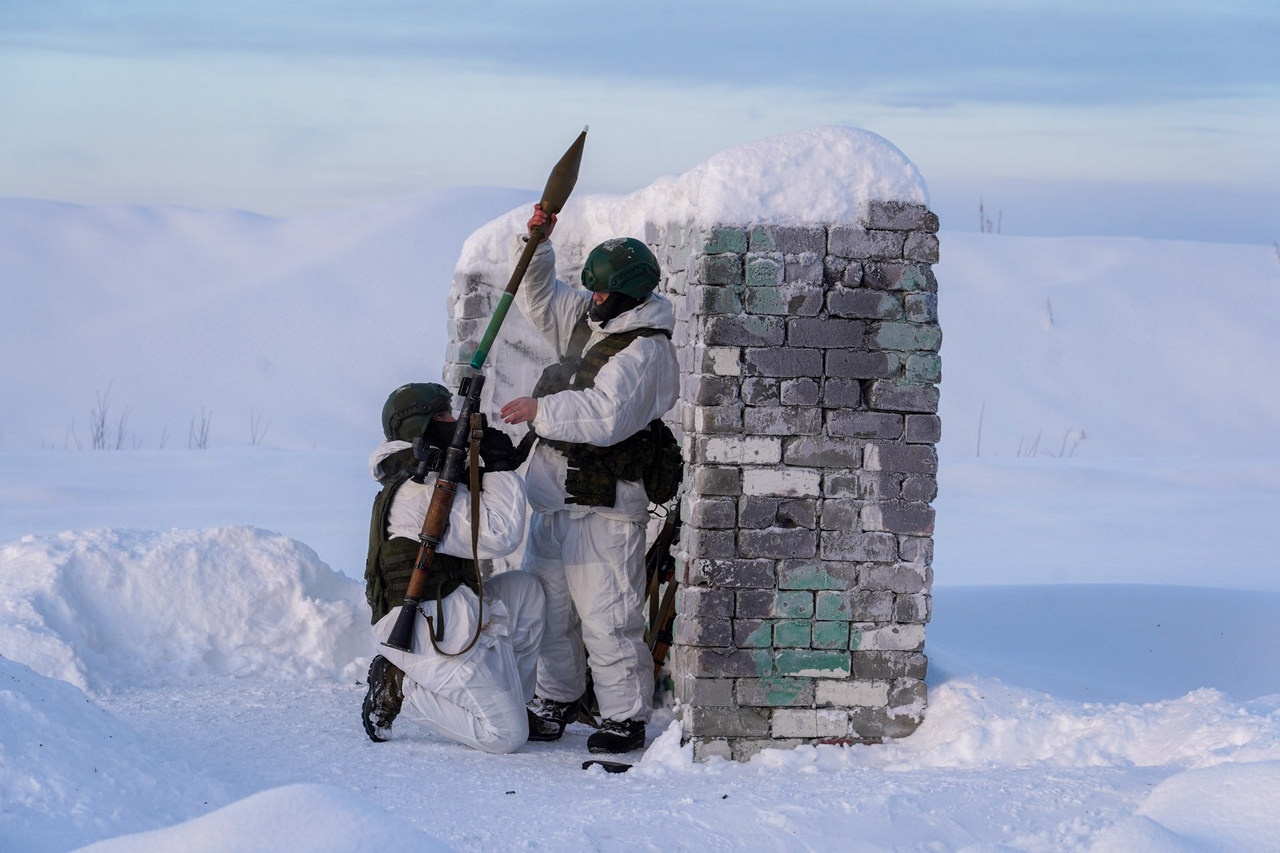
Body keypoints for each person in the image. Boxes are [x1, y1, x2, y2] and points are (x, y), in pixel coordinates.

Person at [499, 205, 679, 755]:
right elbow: (539, 298)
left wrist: (540, 409)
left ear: (629, 293)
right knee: (552, 611)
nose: (593, 300)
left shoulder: (647, 350)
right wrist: (536, 245)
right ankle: (555, 700)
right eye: (592, 291)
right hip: (555, 496)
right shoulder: (591, 319)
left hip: (604, 506)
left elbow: (606, 416)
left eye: (602, 293)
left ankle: (625, 717)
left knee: (608, 617)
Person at [362, 381, 559, 753]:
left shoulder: (429, 474)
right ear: (418, 427)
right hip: (422, 626)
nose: (453, 421)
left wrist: (486, 465)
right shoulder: (417, 489)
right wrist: (499, 468)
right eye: (443, 416)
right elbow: (497, 534)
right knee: (505, 736)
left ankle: (514, 701)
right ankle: (401, 682)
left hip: (450, 608)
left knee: (526, 592)